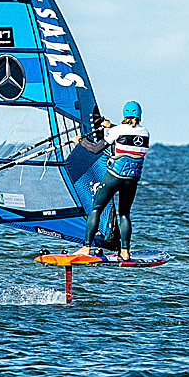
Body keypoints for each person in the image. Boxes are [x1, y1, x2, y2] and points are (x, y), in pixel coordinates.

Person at [73, 100, 151, 261]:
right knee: (125, 214)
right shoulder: (145, 133)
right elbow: (127, 134)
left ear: (125, 114)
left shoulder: (117, 130)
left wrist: (80, 140)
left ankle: (86, 247)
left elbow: (95, 149)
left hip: (115, 177)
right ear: (140, 115)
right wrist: (110, 126)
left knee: (96, 208)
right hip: (132, 179)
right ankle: (125, 251)